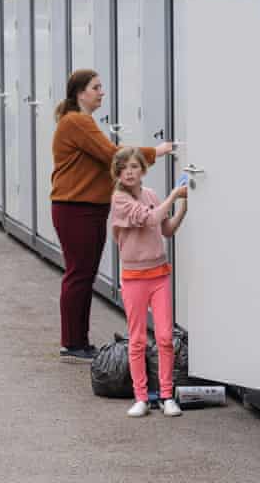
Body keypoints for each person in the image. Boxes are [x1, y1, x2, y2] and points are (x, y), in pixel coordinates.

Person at [50, 69, 172, 363]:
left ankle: (77, 342)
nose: (101, 92)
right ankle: (73, 344)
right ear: (80, 93)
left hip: (81, 208)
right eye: (96, 87)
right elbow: (112, 156)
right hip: (77, 208)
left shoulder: (79, 121)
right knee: (79, 275)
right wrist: (155, 151)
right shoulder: (77, 122)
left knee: (81, 274)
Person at [109, 147, 188, 417]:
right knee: (138, 340)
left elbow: (166, 229)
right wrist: (175, 195)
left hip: (159, 275)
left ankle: (167, 395)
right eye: (124, 168)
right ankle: (141, 397)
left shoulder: (152, 195)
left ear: (143, 169)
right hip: (133, 278)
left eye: (134, 166)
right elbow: (149, 218)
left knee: (165, 337)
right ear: (118, 174)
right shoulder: (119, 200)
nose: (129, 172)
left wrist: (183, 207)